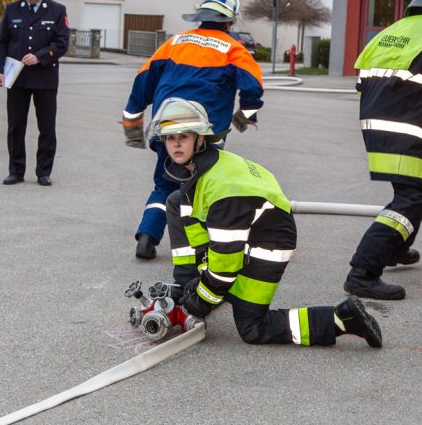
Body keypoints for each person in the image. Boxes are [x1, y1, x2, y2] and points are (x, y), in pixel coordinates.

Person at [150, 97, 382, 348]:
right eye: (169, 138)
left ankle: (341, 319)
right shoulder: (205, 170)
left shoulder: (225, 191)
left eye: (183, 137)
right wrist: (189, 286)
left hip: (270, 241)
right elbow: (202, 233)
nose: (175, 144)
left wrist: (198, 303)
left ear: (200, 139)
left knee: (252, 328)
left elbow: (225, 265)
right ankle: (196, 284)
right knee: (176, 201)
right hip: (251, 227)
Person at [122, 0, 264, 260]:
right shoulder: (234, 50)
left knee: (164, 185)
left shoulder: (174, 43)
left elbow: (143, 81)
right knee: (201, 187)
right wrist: (241, 121)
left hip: (167, 127)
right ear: (229, 22)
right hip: (204, 134)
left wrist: (132, 123)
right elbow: (253, 89)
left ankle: (147, 237)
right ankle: (200, 248)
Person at [344, 0, 422, 300]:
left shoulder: (388, 33)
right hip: (406, 130)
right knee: (411, 198)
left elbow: (361, 83)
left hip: (374, 126)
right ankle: (363, 272)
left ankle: (397, 246)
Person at [0, 0, 70, 186]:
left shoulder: (57, 10)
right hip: (17, 78)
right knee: (16, 126)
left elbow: (62, 43)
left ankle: (43, 171)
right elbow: (1, 43)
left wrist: (40, 56)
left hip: (45, 77)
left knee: (46, 126)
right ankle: (15, 170)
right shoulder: (12, 9)